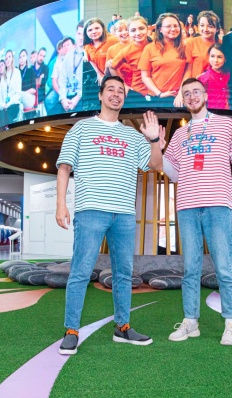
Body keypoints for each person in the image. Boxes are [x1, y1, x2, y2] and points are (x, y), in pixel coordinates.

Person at [55, 76, 165, 355]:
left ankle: (122, 327)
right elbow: (64, 167)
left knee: (124, 273)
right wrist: (61, 204)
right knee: (80, 271)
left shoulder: (132, 135)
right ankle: (71, 330)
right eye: (111, 90)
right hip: (90, 210)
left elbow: (154, 164)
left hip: (124, 214)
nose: (116, 94)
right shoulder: (82, 128)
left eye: (121, 91)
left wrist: (154, 140)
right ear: (101, 95)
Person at [162, 78, 232, 346]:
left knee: (224, 267)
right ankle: (191, 322)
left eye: (196, 92)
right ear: (183, 100)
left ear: (206, 95)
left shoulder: (225, 125)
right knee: (190, 269)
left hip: (218, 205)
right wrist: (157, 147)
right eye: (186, 94)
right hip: (187, 207)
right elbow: (173, 173)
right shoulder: (180, 134)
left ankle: (231, 324)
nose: (192, 97)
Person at [139, 13, 186, 104]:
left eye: (176, 26)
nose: (173, 29)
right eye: (168, 26)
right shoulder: (150, 48)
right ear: (160, 29)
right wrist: (159, 94)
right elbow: (145, 76)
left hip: (178, 97)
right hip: (156, 97)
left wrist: (181, 93)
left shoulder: (185, 47)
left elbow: (188, 73)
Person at [106, 16, 152, 100]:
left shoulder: (156, 43)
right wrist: (123, 84)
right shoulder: (126, 50)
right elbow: (111, 66)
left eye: (141, 28)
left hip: (158, 89)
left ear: (147, 29)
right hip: (138, 91)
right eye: (133, 30)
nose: (138, 33)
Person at [184, 11, 221, 80]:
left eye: (210, 26)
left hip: (218, 83)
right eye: (202, 25)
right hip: (197, 83)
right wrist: (185, 85)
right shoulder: (191, 43)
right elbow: (188, 69)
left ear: (217, 29)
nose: (205, 29)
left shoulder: (222, 44)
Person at [57, 21, 85, 112]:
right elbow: (62, 80)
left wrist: (77, 98)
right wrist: (63, 99)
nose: (81, 37)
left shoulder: (90, 56)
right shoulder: (68, 56)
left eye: (83, 34)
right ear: (75, 34)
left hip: (82, 98)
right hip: (67, 97)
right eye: (79, 34)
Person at [84, 18, 119, 85]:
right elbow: (91, 60)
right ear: (86, 33)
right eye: (90, 30)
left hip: (119, 78)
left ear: (102, 28)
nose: (94, 32)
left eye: (97, 28)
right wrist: (99, 73)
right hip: (105, 80)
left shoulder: (113, 40)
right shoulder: (87, 46)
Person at [197, 43, 230, 109]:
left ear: (225, 59)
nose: (215, 60)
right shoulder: (204, 78)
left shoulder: (228, 74)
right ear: (208, 57)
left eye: (219, 57)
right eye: (212, 56)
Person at [106, 20, 133, 88]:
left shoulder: (139, 45)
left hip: (139, 83)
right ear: (115, 34)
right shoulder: (111, 50)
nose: (124, 32)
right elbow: (107, 73)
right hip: (122, 84)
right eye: (120, 30)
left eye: (127, 29)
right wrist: (108, 65)